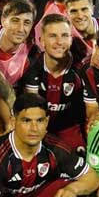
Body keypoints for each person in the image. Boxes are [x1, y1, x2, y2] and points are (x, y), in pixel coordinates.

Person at [20, 14, 86, 152]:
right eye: (52, 36)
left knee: (78, 160)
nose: (59, 42)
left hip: (68, 127)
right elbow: (31, 109)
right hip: (37, 125)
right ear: (42, 41)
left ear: (71, 39)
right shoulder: (31, 66)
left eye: (64, 36)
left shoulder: (81, 67)